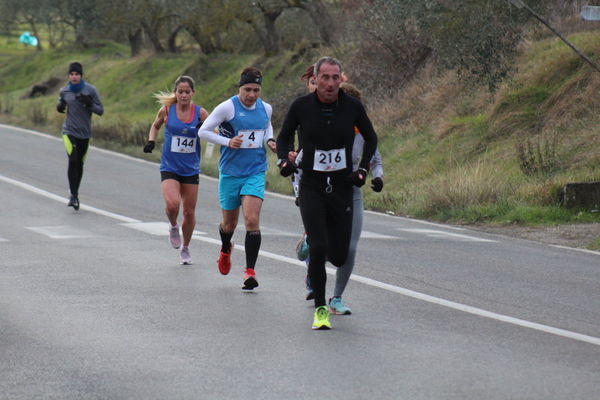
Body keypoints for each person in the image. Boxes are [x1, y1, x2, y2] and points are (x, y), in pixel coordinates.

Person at [276, 57, 377, 330]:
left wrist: (363, 170)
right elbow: (284, 136)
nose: (330, 83)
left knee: (341, 255)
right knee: (320, 249)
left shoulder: (353, 107)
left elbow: (371, 138)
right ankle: (321, 308)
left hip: (343, 186)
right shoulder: (301, 107)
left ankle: (317, 241)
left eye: (335, 78)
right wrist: (286, 159)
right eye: (325, 78)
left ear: (340, 79)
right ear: (316, 79)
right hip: (312, 186)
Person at [295, 82, 384, 315]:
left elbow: (376, 158)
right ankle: (312, 257)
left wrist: (377, 177)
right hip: (321, 192)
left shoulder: (362, 133)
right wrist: (300, 189)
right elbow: (302, 159)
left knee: (350, 248)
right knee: (321, 246)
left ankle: (337, 298)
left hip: (351, 194)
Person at [197, 67, 276, 290]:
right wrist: (227, 142)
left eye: (256, 90)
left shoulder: (266, 108)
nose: (251, 95)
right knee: (229, 224)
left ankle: (249, 271)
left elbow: (267, 125)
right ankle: (225, 249)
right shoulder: (227, 107)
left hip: (255, 171)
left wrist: (270, 140)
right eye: (247, 89)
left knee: (251, 220)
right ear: (240, 88)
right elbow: (203, 131)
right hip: (231, 172)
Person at [143, 75, 209, 265]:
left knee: (189, 212)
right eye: (180, 92)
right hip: (170, 166)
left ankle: (186, 248)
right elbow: (155, 126)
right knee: (173, 205)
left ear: (193, 93)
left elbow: (215, 132)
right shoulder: (166, 110)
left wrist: (205, 129)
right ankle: (173, 226)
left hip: (190, 169)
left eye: (187, 92)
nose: (183, 95)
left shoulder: (200, 113)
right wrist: (151, 141)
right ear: (175, 93)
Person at [56, 62, 104, 210]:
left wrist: (89, 104)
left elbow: (100, 110)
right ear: (69, 76)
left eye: (77, 74)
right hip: (69, 131)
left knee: (80, 164)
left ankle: (74, 192)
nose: (74, 77)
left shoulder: (90, 90)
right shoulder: (65, 91)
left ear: (81, 76)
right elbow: (61, 103)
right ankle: (74, 195)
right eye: (72, 74)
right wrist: (60, 107)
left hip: (84, 133)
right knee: (73, 159)